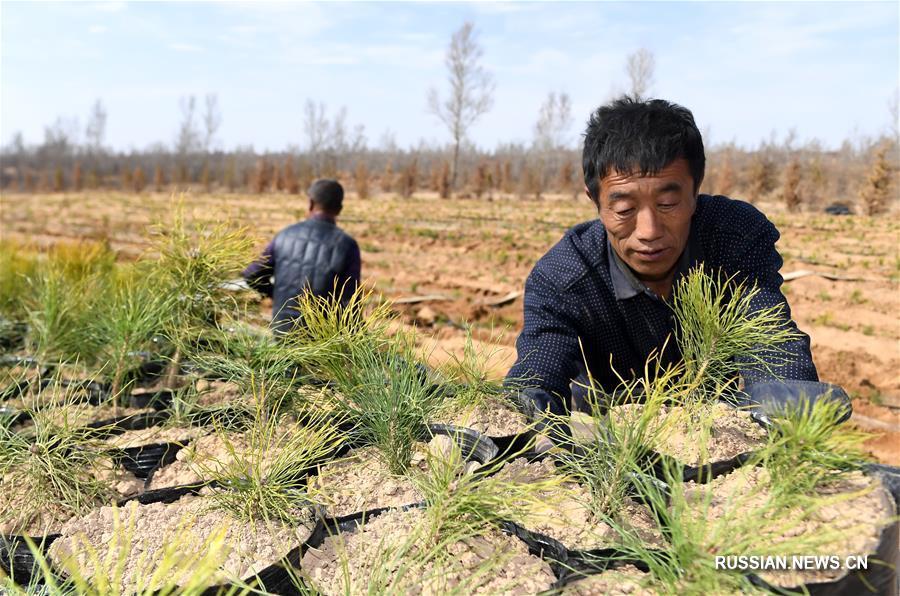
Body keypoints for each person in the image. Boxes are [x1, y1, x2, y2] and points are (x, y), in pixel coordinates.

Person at [506, 97, 829, 432]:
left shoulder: (731, 239)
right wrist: (526, 411)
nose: (649, 232)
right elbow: (537, 373)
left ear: (695, 192)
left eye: (667, 203)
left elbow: (768, 342)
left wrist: (787, 414)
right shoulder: (564, 276)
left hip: (717, 429)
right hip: (611, 435)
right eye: (625, 209)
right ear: (596, 202)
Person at [242, 178, 361, 334]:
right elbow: (350, 302)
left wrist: (277, 295)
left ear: (310, 203)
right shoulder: (347, 245)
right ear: (339, 209)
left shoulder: (284, 236)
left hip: (282, 331)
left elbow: (252, 274)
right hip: (322, 341)